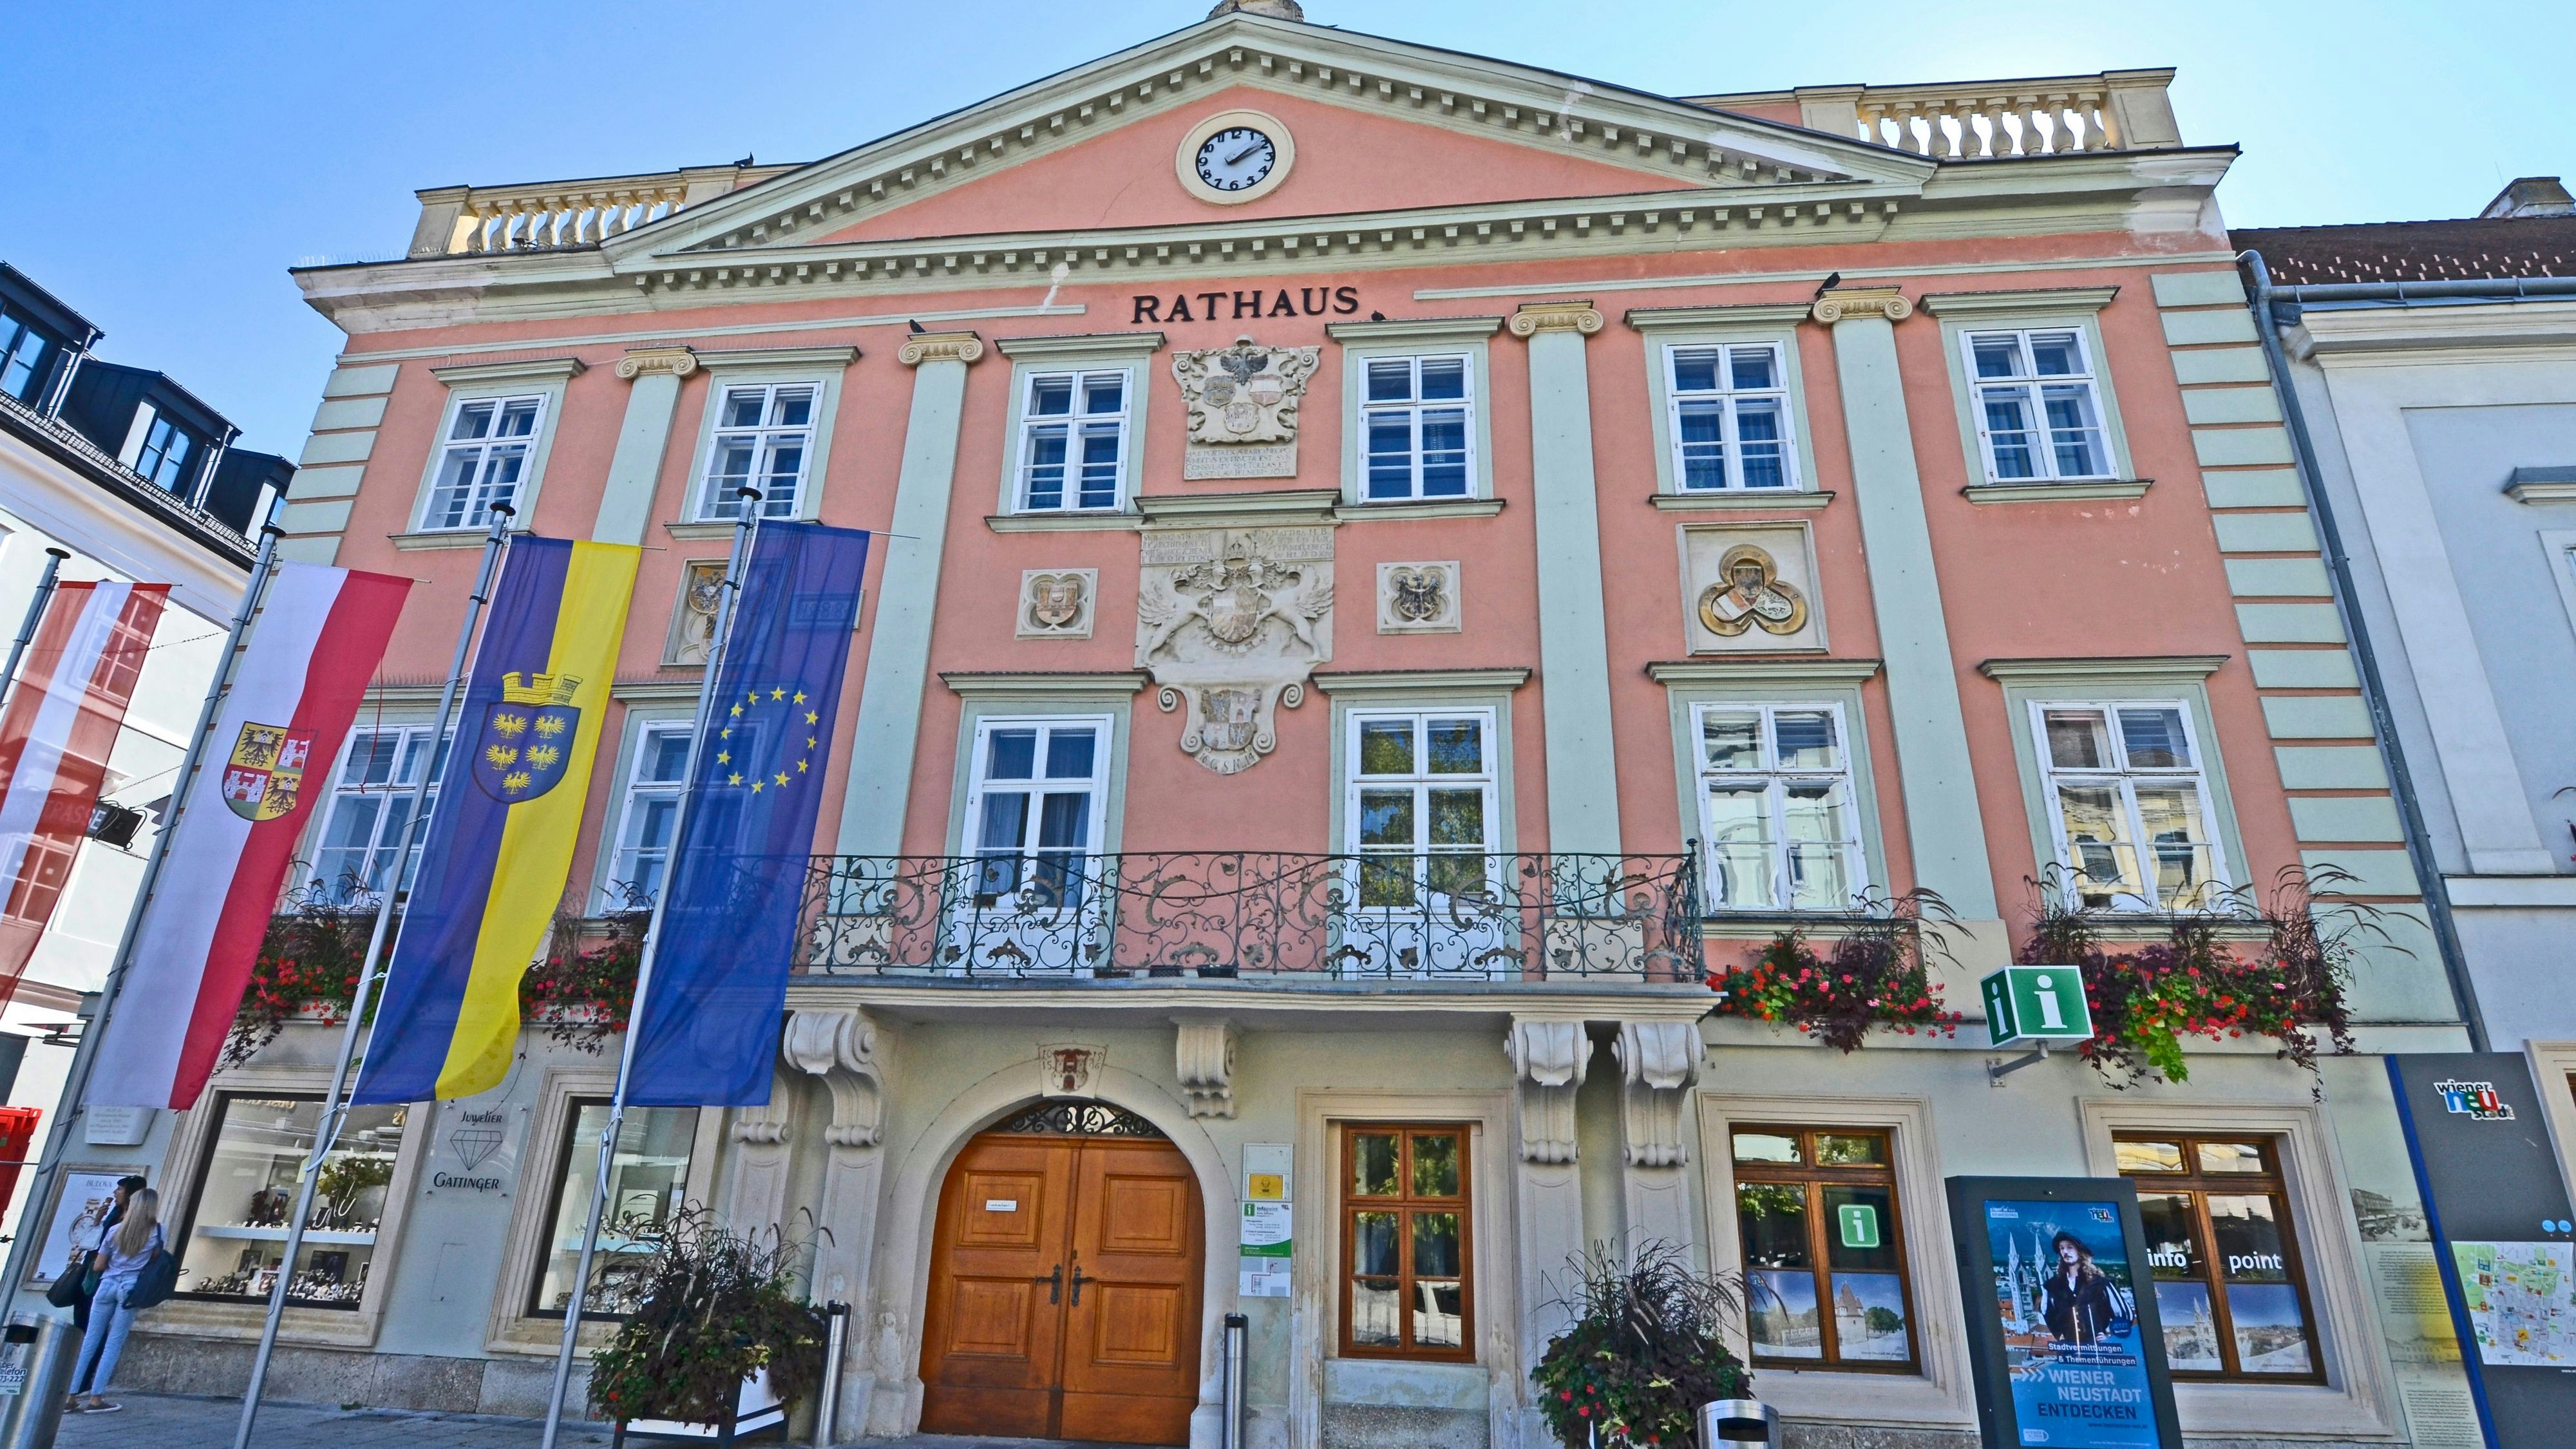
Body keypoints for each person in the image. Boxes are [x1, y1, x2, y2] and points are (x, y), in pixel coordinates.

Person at [65, 1187, 163, 1415]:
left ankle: (70, 1396)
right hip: (130, 1288)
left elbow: (98, 1265)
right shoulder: (158, 1231)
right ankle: (96, 1398)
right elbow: (155, 1262)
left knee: (90, 1340)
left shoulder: (115, 1231)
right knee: (113, 1343)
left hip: (106, 1286)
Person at [2040, 1229, 2119, 1346]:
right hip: (2069, 1354)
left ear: (2081, 1252)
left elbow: (2124, 1314)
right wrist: (2059, 1335)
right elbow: (2047, 1312)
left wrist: (2109, 1334)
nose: (2065, 1252)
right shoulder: (2052, 1286)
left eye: (2070, 1247)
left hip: (2098, 1353)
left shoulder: (2101, 1283)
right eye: (2062, 1248)